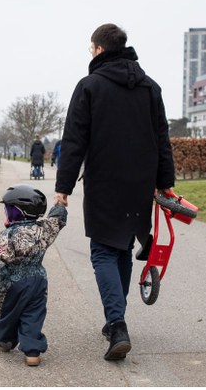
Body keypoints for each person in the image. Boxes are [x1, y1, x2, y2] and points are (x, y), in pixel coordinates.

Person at [54, 23, 175, 361]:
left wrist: (63, 187)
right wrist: (165, 180)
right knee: (121, 247)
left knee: (104, 251)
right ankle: (115, 322)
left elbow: (74, 140)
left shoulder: (90, 86)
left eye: (90, 48)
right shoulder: (150, 87)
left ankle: (116, 324)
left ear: (99, 50)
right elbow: (161, 137)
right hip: (140, 181)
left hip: (105, 180)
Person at [0, 184, 67, 367]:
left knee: (9, 313)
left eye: (8, 209)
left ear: (16, 212)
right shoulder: (43, 229)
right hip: (38, 280)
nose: (6, 212)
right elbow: (56, 220)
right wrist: (60, 204)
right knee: (34, 314)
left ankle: (7, 340)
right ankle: (32, 352)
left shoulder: (8, 235)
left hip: (12, 284)